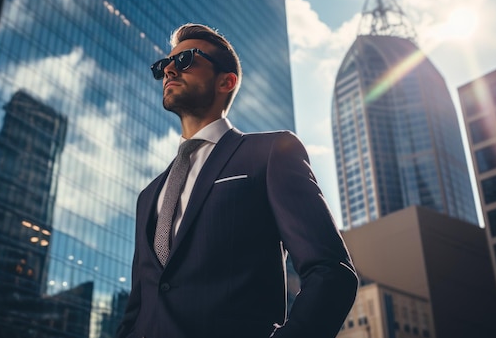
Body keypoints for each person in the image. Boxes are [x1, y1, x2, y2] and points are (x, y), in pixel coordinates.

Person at [117, 23, 357, 338]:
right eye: (163, 65)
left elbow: (330, 272)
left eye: (186, 59)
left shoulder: (270, 153)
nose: (169, 70)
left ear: (226, 81)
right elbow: (137, 308)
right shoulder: (149, 195)